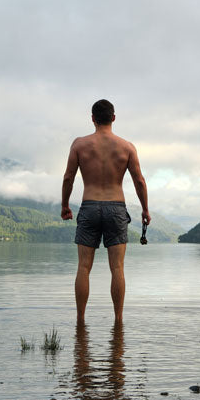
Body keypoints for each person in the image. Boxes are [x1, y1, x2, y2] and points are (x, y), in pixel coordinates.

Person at [61, 99, 150, 324]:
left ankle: (80, 321)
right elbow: (139, 180)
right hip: (116, 207)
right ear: (113, 118)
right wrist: (145, 209)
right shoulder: (126, 147)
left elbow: (68, 177)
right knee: (117, 267)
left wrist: (65, 205)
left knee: (83, 266)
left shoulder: (79, 145)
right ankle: (118, 321)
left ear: (92, 119)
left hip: (89, 206)